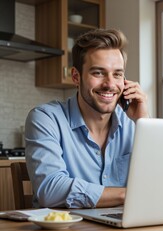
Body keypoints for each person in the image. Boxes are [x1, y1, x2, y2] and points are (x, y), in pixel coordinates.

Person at [25, 29, 149, 208]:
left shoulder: (134, 122)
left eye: (117, 74)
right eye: (98, 73)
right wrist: (127, 194)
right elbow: (50, 190)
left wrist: (143, 122)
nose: (110, 84)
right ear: (76, 76)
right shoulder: (46, 118)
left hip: (125, 228)